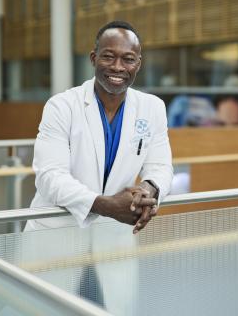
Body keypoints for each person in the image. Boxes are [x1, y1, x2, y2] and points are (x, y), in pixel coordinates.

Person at [26, 21, 173, 314]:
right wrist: (105, 205)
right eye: (108, 56)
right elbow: (49, 177)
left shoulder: (152, 107)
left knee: (114, 309)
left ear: (138, 64)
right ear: (94, 59)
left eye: (128, 59)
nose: (118, 66)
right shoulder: (61, 106)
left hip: (114, 240)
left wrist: (148, 189)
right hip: (57, 236)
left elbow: (161, 166)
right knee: (47, 309)